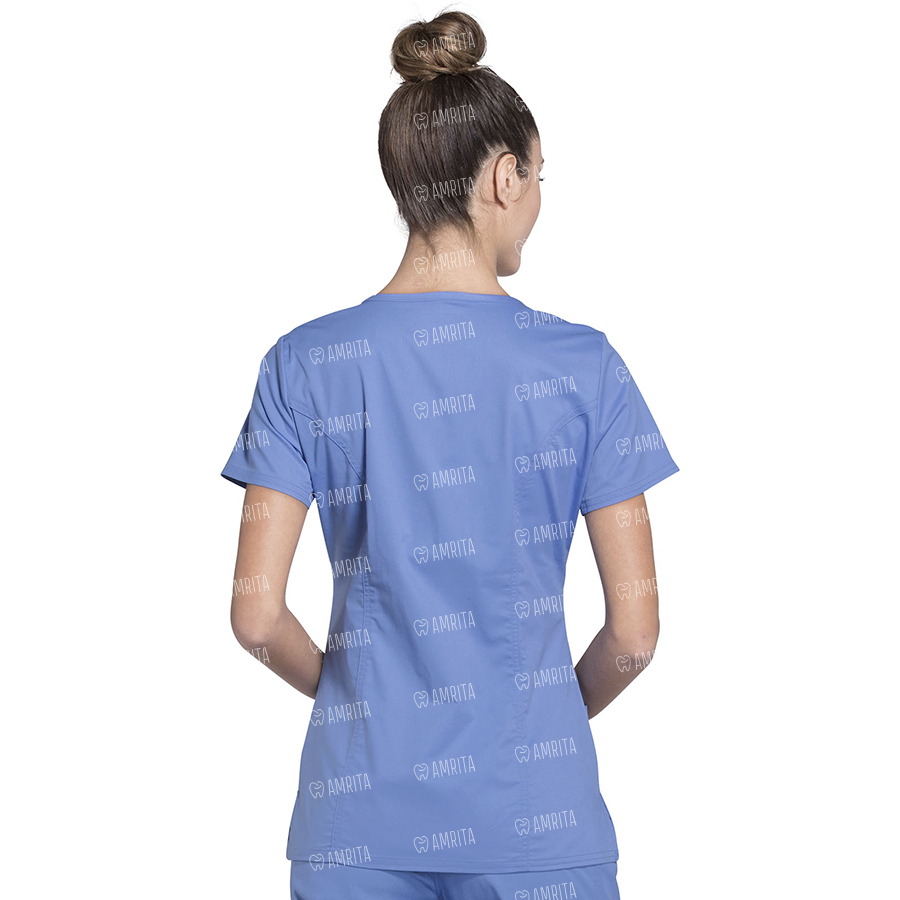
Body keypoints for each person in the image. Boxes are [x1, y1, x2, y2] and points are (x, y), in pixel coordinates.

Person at [221, 10, 679, 899]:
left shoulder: (303, 363)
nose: (538, 201)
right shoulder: (583, 365)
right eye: (541, 175)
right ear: (506, 177)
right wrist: (542, 723)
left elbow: (256, 617)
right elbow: (635, 633)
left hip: (357, 826)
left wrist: (358, 704)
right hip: (537, 828)